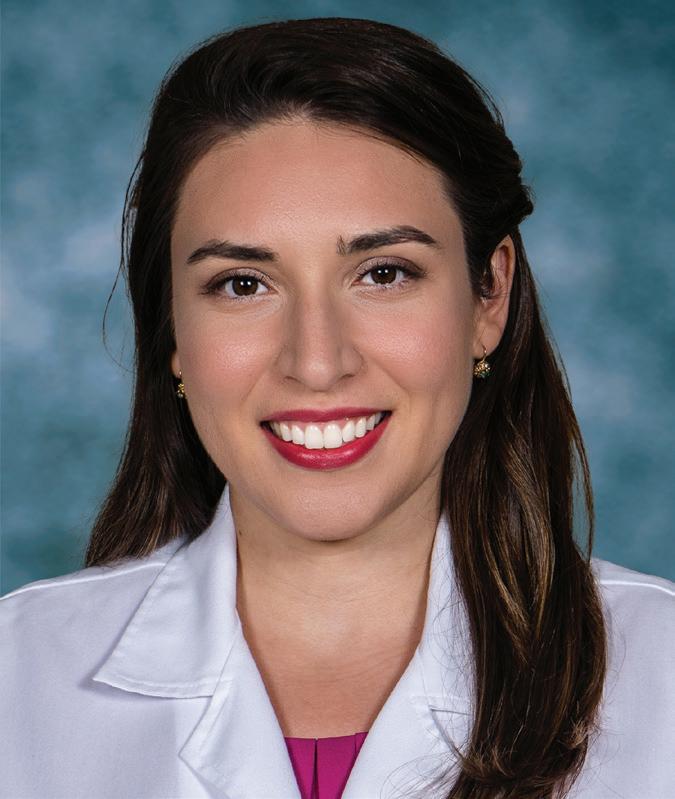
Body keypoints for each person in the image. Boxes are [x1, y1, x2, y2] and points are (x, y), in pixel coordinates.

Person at [1, 16, 673, 799]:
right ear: (172, 329)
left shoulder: (660, 674)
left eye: (383, 273)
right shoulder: (18, 676)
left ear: (488, 295)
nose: (316, 362)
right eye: (242, 284)